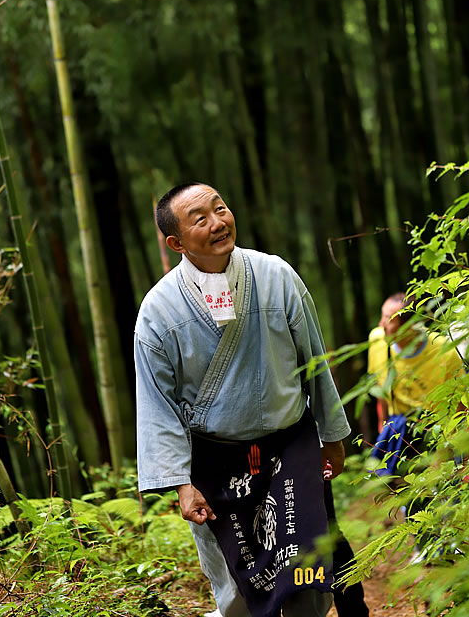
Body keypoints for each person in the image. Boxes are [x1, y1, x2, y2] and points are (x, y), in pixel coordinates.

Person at [135, 182, 351, 617]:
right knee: (235, 590)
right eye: (201, 218)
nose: (219, 222)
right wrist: (181, 482)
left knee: (308, 575)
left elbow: (314, 361)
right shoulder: (158, 313)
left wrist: (332, 435)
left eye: (221, 208)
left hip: (289, 446)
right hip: (216, 463)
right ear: (175, 241)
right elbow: (157, 406)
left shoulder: (276, 276)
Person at [367, 292, 463, 477]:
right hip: (400, 430)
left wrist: (443, 452)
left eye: (388, 319)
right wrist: (383, 428)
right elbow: (381, 387)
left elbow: (459, 408)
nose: (381, 325)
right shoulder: (378, 341)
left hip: (436, 433)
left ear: (410, 326)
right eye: (382, 316)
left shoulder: (444, 352)